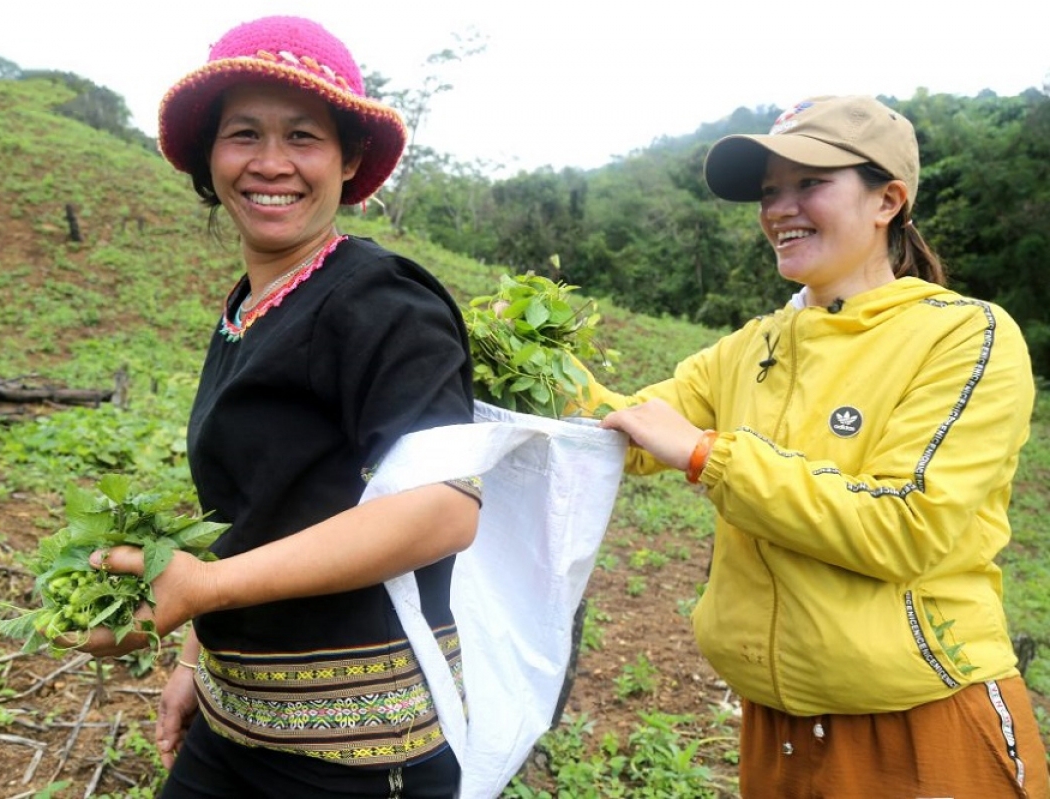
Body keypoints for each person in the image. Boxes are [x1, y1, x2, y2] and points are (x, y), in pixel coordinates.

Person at [584, 95, 1049, 798]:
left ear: (887, 198)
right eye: (770, 191)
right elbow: (629, 425)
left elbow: (905, 523)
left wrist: (709, 455)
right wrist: (498, 360)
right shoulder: (750, 347)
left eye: (810, 183)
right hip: (776, 730)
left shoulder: (965, 336)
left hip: (922, 724)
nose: (779, 208)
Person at [70, 16, 480, 798]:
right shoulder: (251, 306)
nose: (269, 164)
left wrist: (204, 591)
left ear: (350, 157)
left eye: (303, 136)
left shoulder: (385, 303)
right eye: (243, 134)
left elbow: (444, 509)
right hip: (233, 725)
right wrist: (198, 656)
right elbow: (254, 510)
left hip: (357, 756)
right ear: (209, 155)